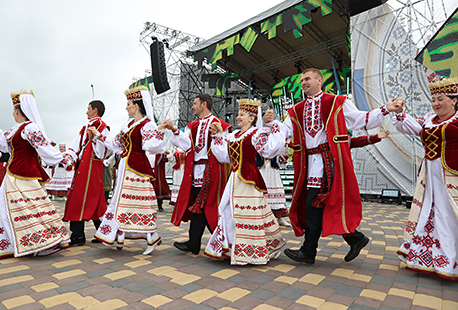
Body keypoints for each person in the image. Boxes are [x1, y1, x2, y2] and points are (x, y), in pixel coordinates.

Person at [264, 68, 403, 264]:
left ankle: (310, 250)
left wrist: (385, 109)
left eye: (307, 79)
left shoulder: (337, 102)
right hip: (309, 165)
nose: (303, 83)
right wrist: (271, 125)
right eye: (302, 80)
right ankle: (353, 238)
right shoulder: (296, 110)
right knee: (321, 206)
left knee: (317, 206)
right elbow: (285, 131)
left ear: (319, 80)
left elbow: (361, 120)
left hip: (329, 164)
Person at [0, 90, 69, 258]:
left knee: (29, 209)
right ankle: (9, 243)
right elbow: (4, 147)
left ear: (18, 111)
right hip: (15, 174)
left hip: (23, 174)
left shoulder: (30, 128)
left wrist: (62, 157)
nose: (12, 113)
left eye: (13, 109)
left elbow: (44, 148)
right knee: (17, 209)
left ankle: (41, 241)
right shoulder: (16, 129)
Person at [204, 99, 287, 265]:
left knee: (247, 213)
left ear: (251, 118)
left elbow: (270, 149)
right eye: (238, 114)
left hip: (249, 180)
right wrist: (218, 135)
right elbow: (223, 156)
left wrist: (274, 126)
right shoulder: (233, 135)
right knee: (227, 209)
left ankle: (249, 251)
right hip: (235, 178)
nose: (238, 117)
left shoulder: (256, 133)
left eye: (242, 114)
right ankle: (231, 246)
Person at [392, 77, 458, 281]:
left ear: (454, 100)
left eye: (441, 98)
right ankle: (427, 258)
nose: (436, 103)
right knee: (429, 212)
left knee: (449, 215)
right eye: (434, 99)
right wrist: (399, 112)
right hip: (430, 175)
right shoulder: (429, 120)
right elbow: (410, 127)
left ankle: (449, 261)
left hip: (452, 176)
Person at [91, 86, 166, 254]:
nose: (126, 107)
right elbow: (115, 143)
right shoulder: (129, 125)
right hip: (125, 167)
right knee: (120, 202)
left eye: (129, 104)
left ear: (136, 106)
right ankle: (118, 236)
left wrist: (160, 133)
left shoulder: (148, 125)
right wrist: (98, 135)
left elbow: (151, 146)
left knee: (140, 204)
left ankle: (151, 238)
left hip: (137, 169)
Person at [160, 93, 231, 254]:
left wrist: (218, 134)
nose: (192, 106)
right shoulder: (192, 125)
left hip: (211, 172)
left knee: (208, 207)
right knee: (200, 207)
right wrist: (175, 130)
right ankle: (197, 242)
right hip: (195, 172)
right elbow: (186, 145)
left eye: (195, 103)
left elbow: (224, 151)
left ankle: (218, 242)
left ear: (204, 104)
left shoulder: (220, 124)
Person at [63, 100, 110, 246]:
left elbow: (104, 151)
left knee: (86, 199)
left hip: (92, 168)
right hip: (82, 168)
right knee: (92, 200)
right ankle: (103, 233)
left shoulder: (103, 127)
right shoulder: (85, 128)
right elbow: (76, 146)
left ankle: (79, 235)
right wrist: (69, 156)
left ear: (95, 110)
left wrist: (95, 138)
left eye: (88, 109)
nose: (86, 112)